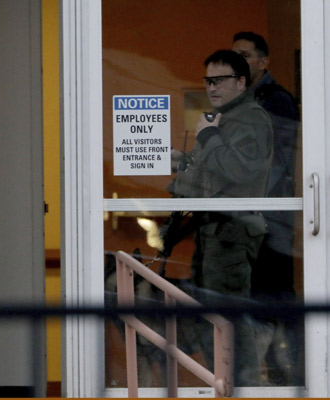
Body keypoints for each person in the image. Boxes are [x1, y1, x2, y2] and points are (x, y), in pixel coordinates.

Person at [172, 49, 273, 386]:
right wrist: (183, 163)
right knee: (212, 316)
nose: (212, 87)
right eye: (207, 81)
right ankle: (228, 383)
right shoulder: (225, 119)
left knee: (227, 317)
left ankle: (242, 387)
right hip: (214, 229)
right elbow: (215, 173)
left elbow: (240, 170)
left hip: (231, 230)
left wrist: (208, 137)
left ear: (241, 82)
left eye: (220, 80)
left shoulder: (250, 118)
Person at [232, 31, 301, 385]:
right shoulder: (242, 99)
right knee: (258, 293)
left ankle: (293, 374)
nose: (238, 61)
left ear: (263, 61)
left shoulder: (276, 102)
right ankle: (270, 374)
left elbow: (270, 161)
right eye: (234, 55)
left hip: (271, 217)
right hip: (252, 217)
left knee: (275, 293)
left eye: (244, 54)